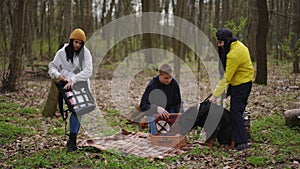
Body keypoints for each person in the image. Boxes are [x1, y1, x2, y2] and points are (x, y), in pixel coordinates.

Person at [48, 28, 93, 152]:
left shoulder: (86, 53)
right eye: (75, 42)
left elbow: (88, 71)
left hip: (81, 84)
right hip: (66, 86)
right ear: (71, 40)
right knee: (75, 110)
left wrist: (74, 79)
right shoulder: (62, 52)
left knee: (80, 110)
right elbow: (52, 66)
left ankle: (72, 139)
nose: (77, 45)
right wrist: (58, 75)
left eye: (80, 43)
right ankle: (72, 142)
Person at [209, 28, 254, 150]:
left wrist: (215, 95)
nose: (219, 45)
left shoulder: (234, 54)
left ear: (227, 41)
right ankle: (230, 137)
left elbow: (227, 77)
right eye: (218, 42)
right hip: (238, 83)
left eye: (221, 42)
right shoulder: (236, 45)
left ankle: (242, 142)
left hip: (242, 85)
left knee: (235, 112)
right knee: (236, 111)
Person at [140, 64, 182, 135]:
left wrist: (177, 116)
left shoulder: (174, 83)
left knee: (173, 133)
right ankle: (151, 131)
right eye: (166, 78)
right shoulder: (152, 85)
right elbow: (143, 106)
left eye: (170, 77)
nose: (169, 80)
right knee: (155, 135)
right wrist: (157, 108)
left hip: (169, 110)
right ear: (160, 75)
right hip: (153, 112)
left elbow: (178, 102)